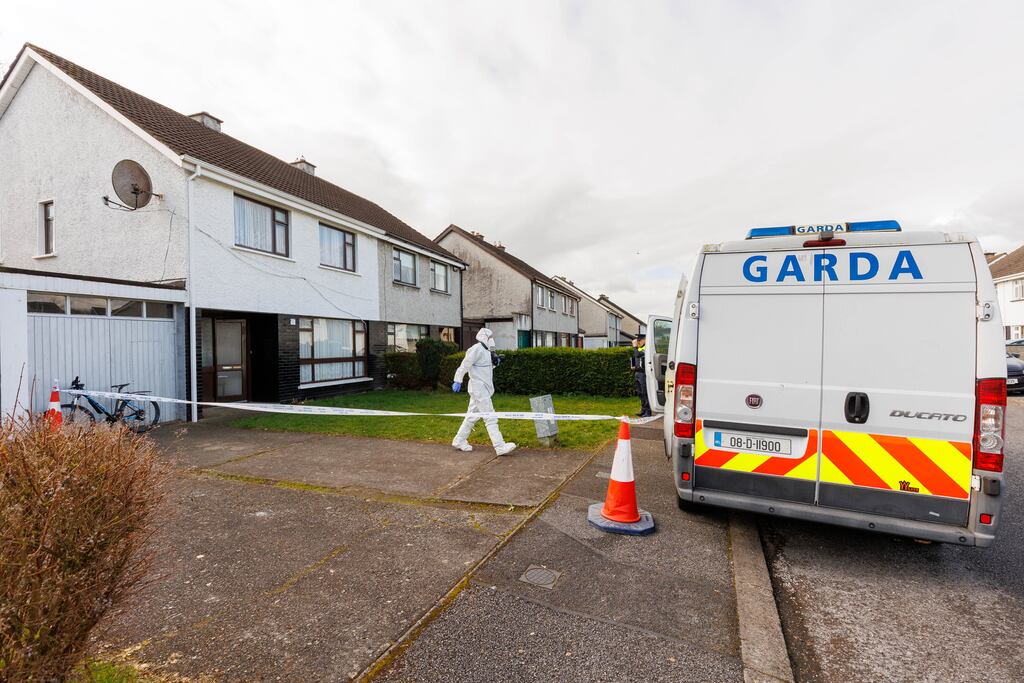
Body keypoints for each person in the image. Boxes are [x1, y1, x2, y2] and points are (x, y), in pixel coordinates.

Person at [451, 328, 517, 455]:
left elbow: (485, 367)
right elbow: (465, 365)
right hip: (478, 389)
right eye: (491, 336)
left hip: (484, 388)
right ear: (485, 337)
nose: (493, 339)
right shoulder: (476, 349)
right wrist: (457, 380)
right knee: (490, 417)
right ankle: (500, 446)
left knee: (471, 417)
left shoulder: (487, 351)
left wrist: (496, 362)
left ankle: (459, 440)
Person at [631, 336, 652, 417]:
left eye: (639, 340)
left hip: (643, 374)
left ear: (645, 340)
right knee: (640, 393)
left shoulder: (646, 348)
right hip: (637, 373)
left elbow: (638, 354)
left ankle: (648, 412)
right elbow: (637, 358)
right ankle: (643, 410)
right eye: (637, 340)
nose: (638, 342)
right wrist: (634, 366)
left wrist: (635, 346)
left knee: (644, 392)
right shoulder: (640, 348)